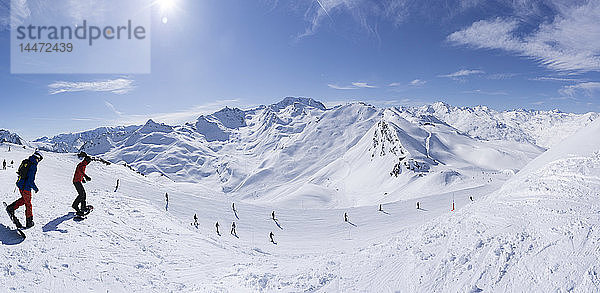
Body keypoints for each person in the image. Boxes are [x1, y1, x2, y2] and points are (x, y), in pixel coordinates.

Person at [6, 151, 43, 229]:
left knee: (24, 199)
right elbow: (30, 181)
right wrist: (35, 188)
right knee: (28, 204)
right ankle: (29, 222)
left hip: (20, 184)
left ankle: (11, 207)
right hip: (25, 187)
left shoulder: (27, 161)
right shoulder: (33, 166)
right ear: (38, 158)